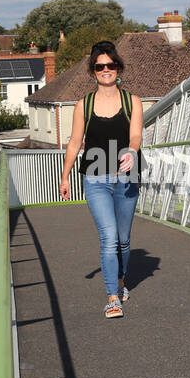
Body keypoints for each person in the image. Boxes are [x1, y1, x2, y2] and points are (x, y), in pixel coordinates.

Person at [60, 41, 144, 318]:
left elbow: (136, 136)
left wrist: (132, 151)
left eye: (110, 65)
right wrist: (65, 177)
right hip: (96, 179)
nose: (105, 70)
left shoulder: (133, 102)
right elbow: (74, 143)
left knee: (123, 240)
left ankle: (121, 282)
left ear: (118, 68)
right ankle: (112, 297)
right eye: (99, 67)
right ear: (93, 72)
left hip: (127, 177)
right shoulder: (84, 105)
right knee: (108, 238)